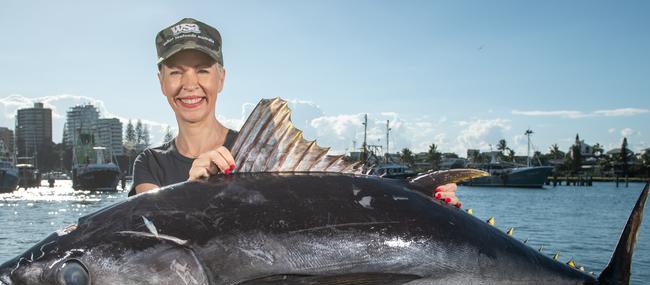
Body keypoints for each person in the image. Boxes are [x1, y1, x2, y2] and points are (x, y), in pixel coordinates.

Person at [130, 18, 461, 207]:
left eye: (202, 70)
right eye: (175, 72)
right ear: (161, 82)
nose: (189, 84)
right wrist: (192, 188)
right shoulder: (150, 164)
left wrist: (418, 198)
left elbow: (324, 202)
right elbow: (143, 235)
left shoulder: (260, 154)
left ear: (221, 78)